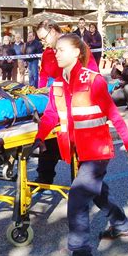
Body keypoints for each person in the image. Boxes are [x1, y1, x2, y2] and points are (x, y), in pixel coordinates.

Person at [31, 33, 128, 256]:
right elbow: (51, 114)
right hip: (79, 151)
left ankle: (82, 254)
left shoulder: (94, 80)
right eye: (55, 50)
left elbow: (114, 114)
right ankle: (121, 224)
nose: (55, 53)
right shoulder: (58, 83)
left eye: (61, 50)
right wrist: (40, 137)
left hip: (98, 151)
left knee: (78, 197)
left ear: (76, 53)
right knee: (98, 192)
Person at [35, 20, 99, 185]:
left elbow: (92, 72)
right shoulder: (48, 52)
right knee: (49, 139)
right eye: (41, 40)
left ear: (53, 30)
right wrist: (40, 91)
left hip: (78, 102)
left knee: (81, 151)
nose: (44, 42)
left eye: (44, 38)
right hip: (58, 100)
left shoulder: (77, 46)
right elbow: (43, 76)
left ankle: (86, 182)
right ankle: (45, 176)